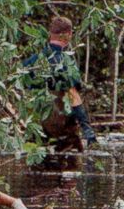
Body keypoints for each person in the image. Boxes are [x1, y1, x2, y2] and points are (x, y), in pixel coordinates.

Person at [22, 16, 98, 152]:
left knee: (36, 170)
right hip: (62, 130)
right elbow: (73, 96)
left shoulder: (31, 62)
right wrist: (87, 130)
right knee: (73, 168)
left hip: (36, 130)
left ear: (50, 34)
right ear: (68, 35)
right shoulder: (66, 63)